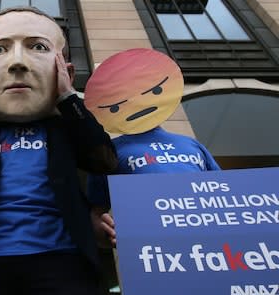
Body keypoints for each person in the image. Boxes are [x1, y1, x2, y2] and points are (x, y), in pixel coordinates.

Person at [0, 6, 117, 295]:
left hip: (62, 261)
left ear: (66, 70)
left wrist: (68, 98)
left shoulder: (67, 127)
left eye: (38, 47)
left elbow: (104, 159)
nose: (17, 63)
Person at [83, 48, 221, 247]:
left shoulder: (191, 143)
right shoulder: (108, 151)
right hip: (150, 246)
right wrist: (102, 230)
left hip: (209, 237)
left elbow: (223, 191)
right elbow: (97, 211)